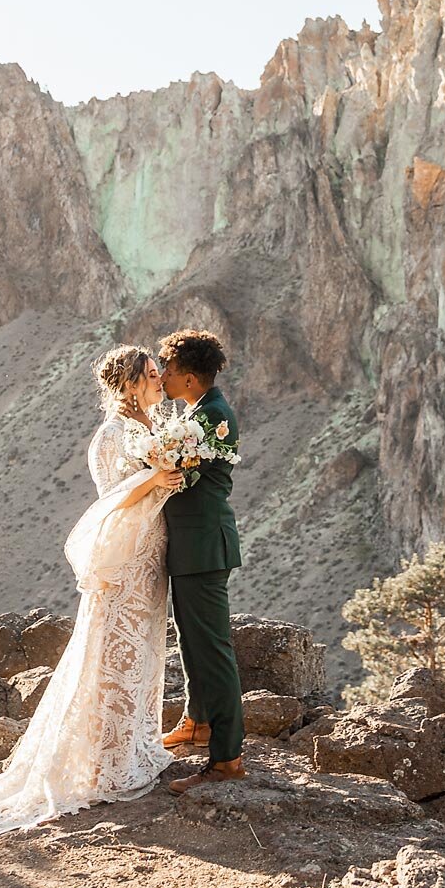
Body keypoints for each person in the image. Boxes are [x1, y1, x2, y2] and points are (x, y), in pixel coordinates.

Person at [0, 345, 184, 833]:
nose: (161, 380)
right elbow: (110, 497)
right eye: (153, 374)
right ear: (131, 382)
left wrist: (168, 477)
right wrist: (155, 478)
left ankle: (133, 746)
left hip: (150, 555)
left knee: (141, 652)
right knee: (108, 654)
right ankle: (102, 765)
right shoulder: (112, 435)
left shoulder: (155, 429)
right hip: (122, 560)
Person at [155, 328, 249, 792]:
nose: (161, 376)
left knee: (213, 651)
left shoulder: (210, 417)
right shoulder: (198, 412)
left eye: (168, 370)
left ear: (190, 378)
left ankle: (227, 757)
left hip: (205, 546)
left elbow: (181, 478)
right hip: (189, 546)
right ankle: (198, 721)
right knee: (191, 639)